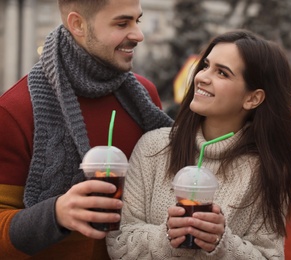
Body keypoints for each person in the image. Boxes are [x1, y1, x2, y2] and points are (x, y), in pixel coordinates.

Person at [106, 29, 291, 259]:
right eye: (206, 66)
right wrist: (167, 237)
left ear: (253, 98)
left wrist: (222, 243)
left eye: (222, 73)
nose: (201, 77)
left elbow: (270, 256)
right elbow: (119, 243)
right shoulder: (154, 147)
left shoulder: (265, 170)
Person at [0, 0, 173, 259]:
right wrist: (56, 213)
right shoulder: (14, 110)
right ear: (77, 24)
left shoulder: (145, 98)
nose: (139, 35)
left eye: (137, 20)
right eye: (122, 23)